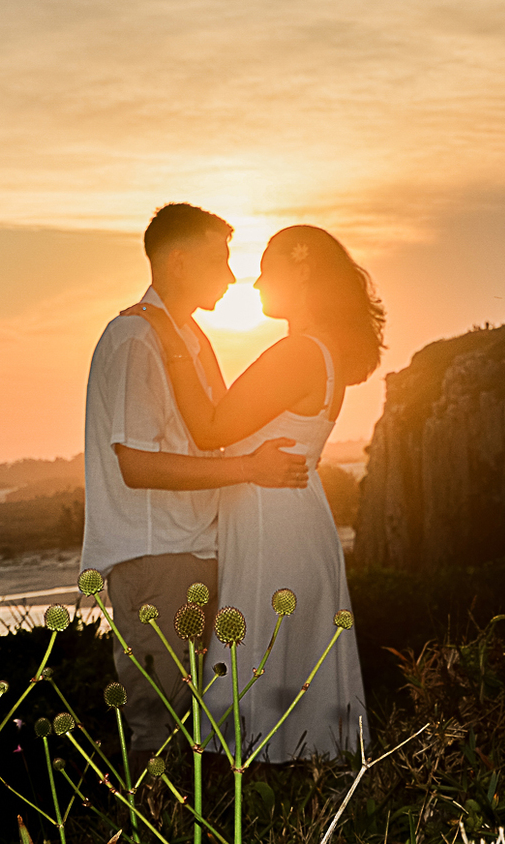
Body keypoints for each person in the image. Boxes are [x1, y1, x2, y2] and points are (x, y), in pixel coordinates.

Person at [127, 224, 384, 762]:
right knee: (287, 682)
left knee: (256, 673)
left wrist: (169, 337)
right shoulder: (319, 352)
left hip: (274, 527)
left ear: (303, 269)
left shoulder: (298, 353)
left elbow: (211, 429)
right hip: (291, 518)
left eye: (268, 267)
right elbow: (233, 411)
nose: (255, 281)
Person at [80, 203, 309, 770]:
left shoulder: (186, 337)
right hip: (158, 559)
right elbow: (138, 466)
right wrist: (250, 469)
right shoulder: (136, 339)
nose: (231, 277)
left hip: (190, 553)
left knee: (197, 730)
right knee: (162, 731)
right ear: (178, 262)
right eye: (219, 260)